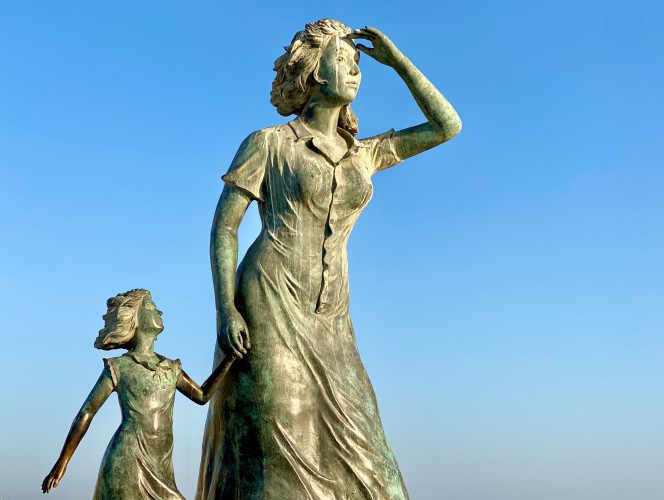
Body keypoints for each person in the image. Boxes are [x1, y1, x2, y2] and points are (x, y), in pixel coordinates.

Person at [197, 20, 461, 499]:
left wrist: (398, 62)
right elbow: (225, 226)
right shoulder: (269, 143)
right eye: (345, 60)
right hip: (269, 298)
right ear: (315, 72)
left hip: (333, 316)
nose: (357, 71)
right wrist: (225, 309)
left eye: (358, 64)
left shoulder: (366, 153)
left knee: (368, 451)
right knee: (281, 436)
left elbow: (447, 126)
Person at [42, 289, 236, 499]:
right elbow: (87, 412)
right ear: (135, 318)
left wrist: (230, 358)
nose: (159, 311)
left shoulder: (171, 368)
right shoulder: (119, 367)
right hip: (128, 459)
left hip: (160, 464)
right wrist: (63, 461)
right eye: (152, 308)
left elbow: (202, 395)